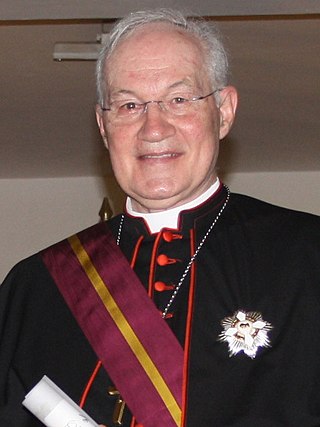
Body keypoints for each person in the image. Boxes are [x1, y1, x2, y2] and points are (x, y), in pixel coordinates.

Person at [0, 7, 319, 427]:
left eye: (179, 99)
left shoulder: (307, 257)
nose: (153, 128)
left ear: (223, 111)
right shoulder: (32, 288)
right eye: (129, 105)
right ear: (102, 124)